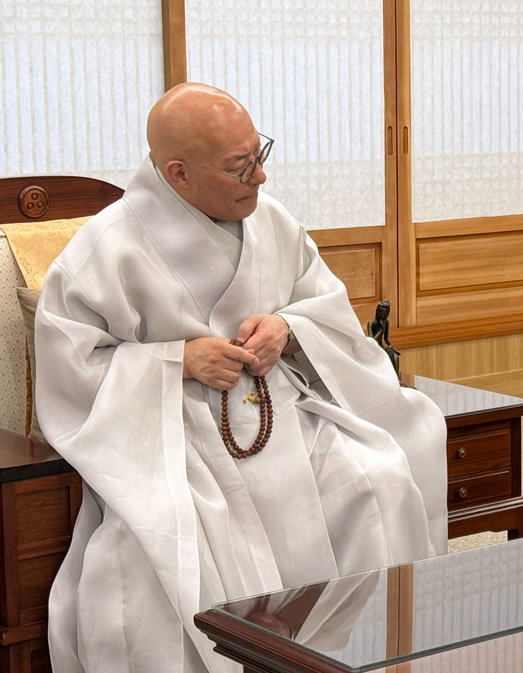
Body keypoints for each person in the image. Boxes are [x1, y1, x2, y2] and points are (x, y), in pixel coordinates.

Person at [34, 83, 448, 673]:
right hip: (174, 431)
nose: (260, 177)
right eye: (240, 167)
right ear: (178, 173)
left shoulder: (272, 222)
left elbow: (326, 307)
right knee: (170, 555)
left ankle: (356, 656)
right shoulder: (105, 248)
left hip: (285, 409)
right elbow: (70, 368)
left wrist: (288, 327)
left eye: (260, 154)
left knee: (380, 477)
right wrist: (176, 359)